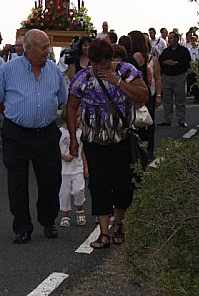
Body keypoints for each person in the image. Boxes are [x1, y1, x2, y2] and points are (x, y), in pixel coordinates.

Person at [66, 38, 148, 249]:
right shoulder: (82, 78)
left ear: (110, 60)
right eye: (94, 63)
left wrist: (117, 82)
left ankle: (119, 223)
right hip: (94, 141)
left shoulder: (127, 71)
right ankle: (104, 233)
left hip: (120, 139)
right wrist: (74, 139)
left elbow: (143, 95)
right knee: (100, 186)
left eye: (102, 63)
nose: (98, 68)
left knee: (123, 185)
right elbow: (72, 107)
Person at [0, 29, 67, 244]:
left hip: (46, 134)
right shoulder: (8, 70)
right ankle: (22, 227)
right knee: (17, 184)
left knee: (51, 181)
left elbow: (61, 99)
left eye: (47, 47)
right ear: (28, 48)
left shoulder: (54, 70)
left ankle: (48, 220)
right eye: (42, 48)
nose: (47, 51)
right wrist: (13, 113)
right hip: (17, 134)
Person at [129, 30, 162, 155]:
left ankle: (142, 151)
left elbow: (158, 78)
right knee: (147, 122)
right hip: (148, 93)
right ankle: (148, 150)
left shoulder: (138, 57)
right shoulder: (145, 57)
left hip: (142, 93)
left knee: (141, 123)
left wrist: (158, 94)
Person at [58, 111, 88, 227]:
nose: (79, 120)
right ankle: (65, 215)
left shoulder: (80, 133)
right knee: (64, 193)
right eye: (77, 117)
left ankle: (80, 210)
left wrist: (85, 166)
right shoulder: (60, 132)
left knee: (78, 190)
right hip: (63, 170)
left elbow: (82, 151)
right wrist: (63, 156)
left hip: (77, 168)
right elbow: (54, 150)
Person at [158, 32, 191, 127]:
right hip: (167, 77)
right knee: (167, 100)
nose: (169, 40)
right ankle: (167, 120)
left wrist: (176, 63)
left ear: (176, 39)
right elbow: (160, 61)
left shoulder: (183, 51)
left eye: (171, 38)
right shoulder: (166, 51)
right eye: (168, 38)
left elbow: (187, 63)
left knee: (180, 100)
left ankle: (181, 120)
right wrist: (165, 62)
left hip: (179, 77)